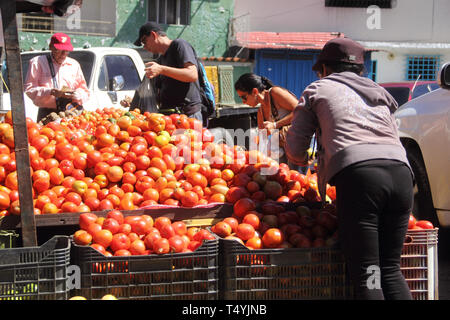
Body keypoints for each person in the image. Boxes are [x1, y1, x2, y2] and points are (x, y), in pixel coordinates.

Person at [285, 37, 414, 300]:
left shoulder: (318, 89)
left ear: (324, 69)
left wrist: (299, 156)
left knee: (370, 272)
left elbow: (296, 149)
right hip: (401, 173)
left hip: (362, 178)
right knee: (389, 268)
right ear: (361, 70)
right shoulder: (380, 94)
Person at [134, 22, 204, 125]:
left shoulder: (179, 45)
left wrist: (161, 69)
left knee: (189, 141)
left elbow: (192, 75)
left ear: (153, 35)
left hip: (187, 117)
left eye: (144, 41)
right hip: (170, 117)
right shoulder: (161, 59)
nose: (144, 47)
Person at [234, 73, 305, 172]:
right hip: (284, 148)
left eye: (244, 97)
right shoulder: (260, 112)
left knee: (298, 179)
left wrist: (275, 125)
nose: (243, 102)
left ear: (254, 91)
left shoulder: (275, 93)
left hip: (298, 144)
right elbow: (261, 139)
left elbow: (300, 111)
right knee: (284, 176)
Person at [24, 32, 90, 122]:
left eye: (66, 51)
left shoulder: (74, 65)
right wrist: (50, 92)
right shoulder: (37, 62)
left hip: (70, 112)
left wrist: (77, 94)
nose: (63, 54)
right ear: (51, 47)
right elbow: (29, 90)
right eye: (59, 50)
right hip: (47, 114)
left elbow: (85, 91)